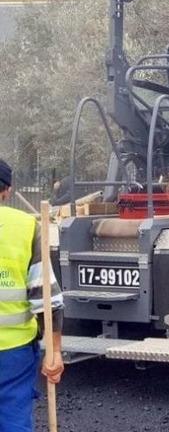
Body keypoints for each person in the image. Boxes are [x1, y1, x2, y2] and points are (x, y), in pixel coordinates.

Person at [0, 159, 65, 430]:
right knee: (14, 419)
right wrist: (56, 352)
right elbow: (47, 299)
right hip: (13, 353)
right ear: (7, 191)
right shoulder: (25, 227)